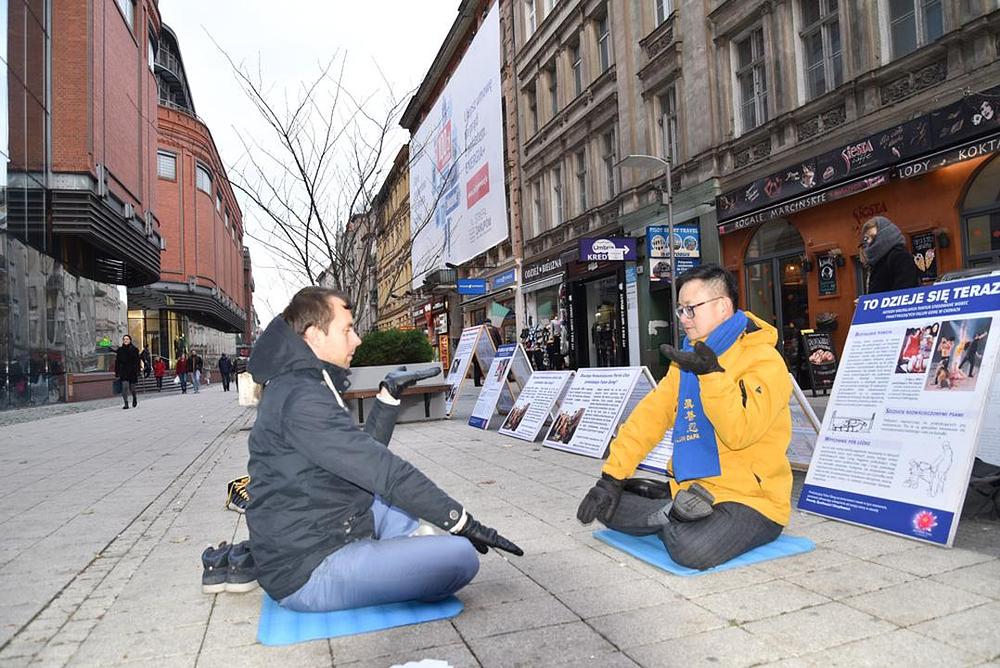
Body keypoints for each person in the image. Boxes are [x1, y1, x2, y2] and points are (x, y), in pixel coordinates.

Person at [246, 287, 523, 613]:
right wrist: (462, 522)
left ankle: (408, 553)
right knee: (461, 558)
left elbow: (359, 459)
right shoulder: (302, 396)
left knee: (388, 503)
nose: (357, 340)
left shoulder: (304, 382)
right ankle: (412, 555)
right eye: (347, 330)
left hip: (325, 525)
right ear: (314, 335)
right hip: (308, 568)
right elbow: (383, 470)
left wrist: (388, 397)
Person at [576, 264, 793, 570]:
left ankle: (670, 516)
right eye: (680, 310)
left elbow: (740, 432)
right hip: (692, 488)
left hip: (751, 499)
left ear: (722, 307)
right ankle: (674, 511)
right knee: (608, 507)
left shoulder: (764, 360)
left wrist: (712, 375)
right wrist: (611, 478)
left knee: (689, 549)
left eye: (691, 309)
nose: (684, 320)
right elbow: (648, 418)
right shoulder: (686, 361)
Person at [860, 216, 920, 294]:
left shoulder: (899, 256)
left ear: (884, 234)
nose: (869, 241)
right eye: (866, 238)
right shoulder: (876, 260)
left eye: (873, 236)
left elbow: (905, 292)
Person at [114, 335, 141, 409]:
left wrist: (138, 371)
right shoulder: (120, 350)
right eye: (124, 339)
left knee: (132, 388)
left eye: (127, 339)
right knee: (124, 387)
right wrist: (117, 372)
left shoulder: (135, 349)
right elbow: (117, 362)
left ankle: (134, 397)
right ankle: (126, 403)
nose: (125, 340)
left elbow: (137, 361)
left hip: (132, 371)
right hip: (123, 371)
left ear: (130, 340)